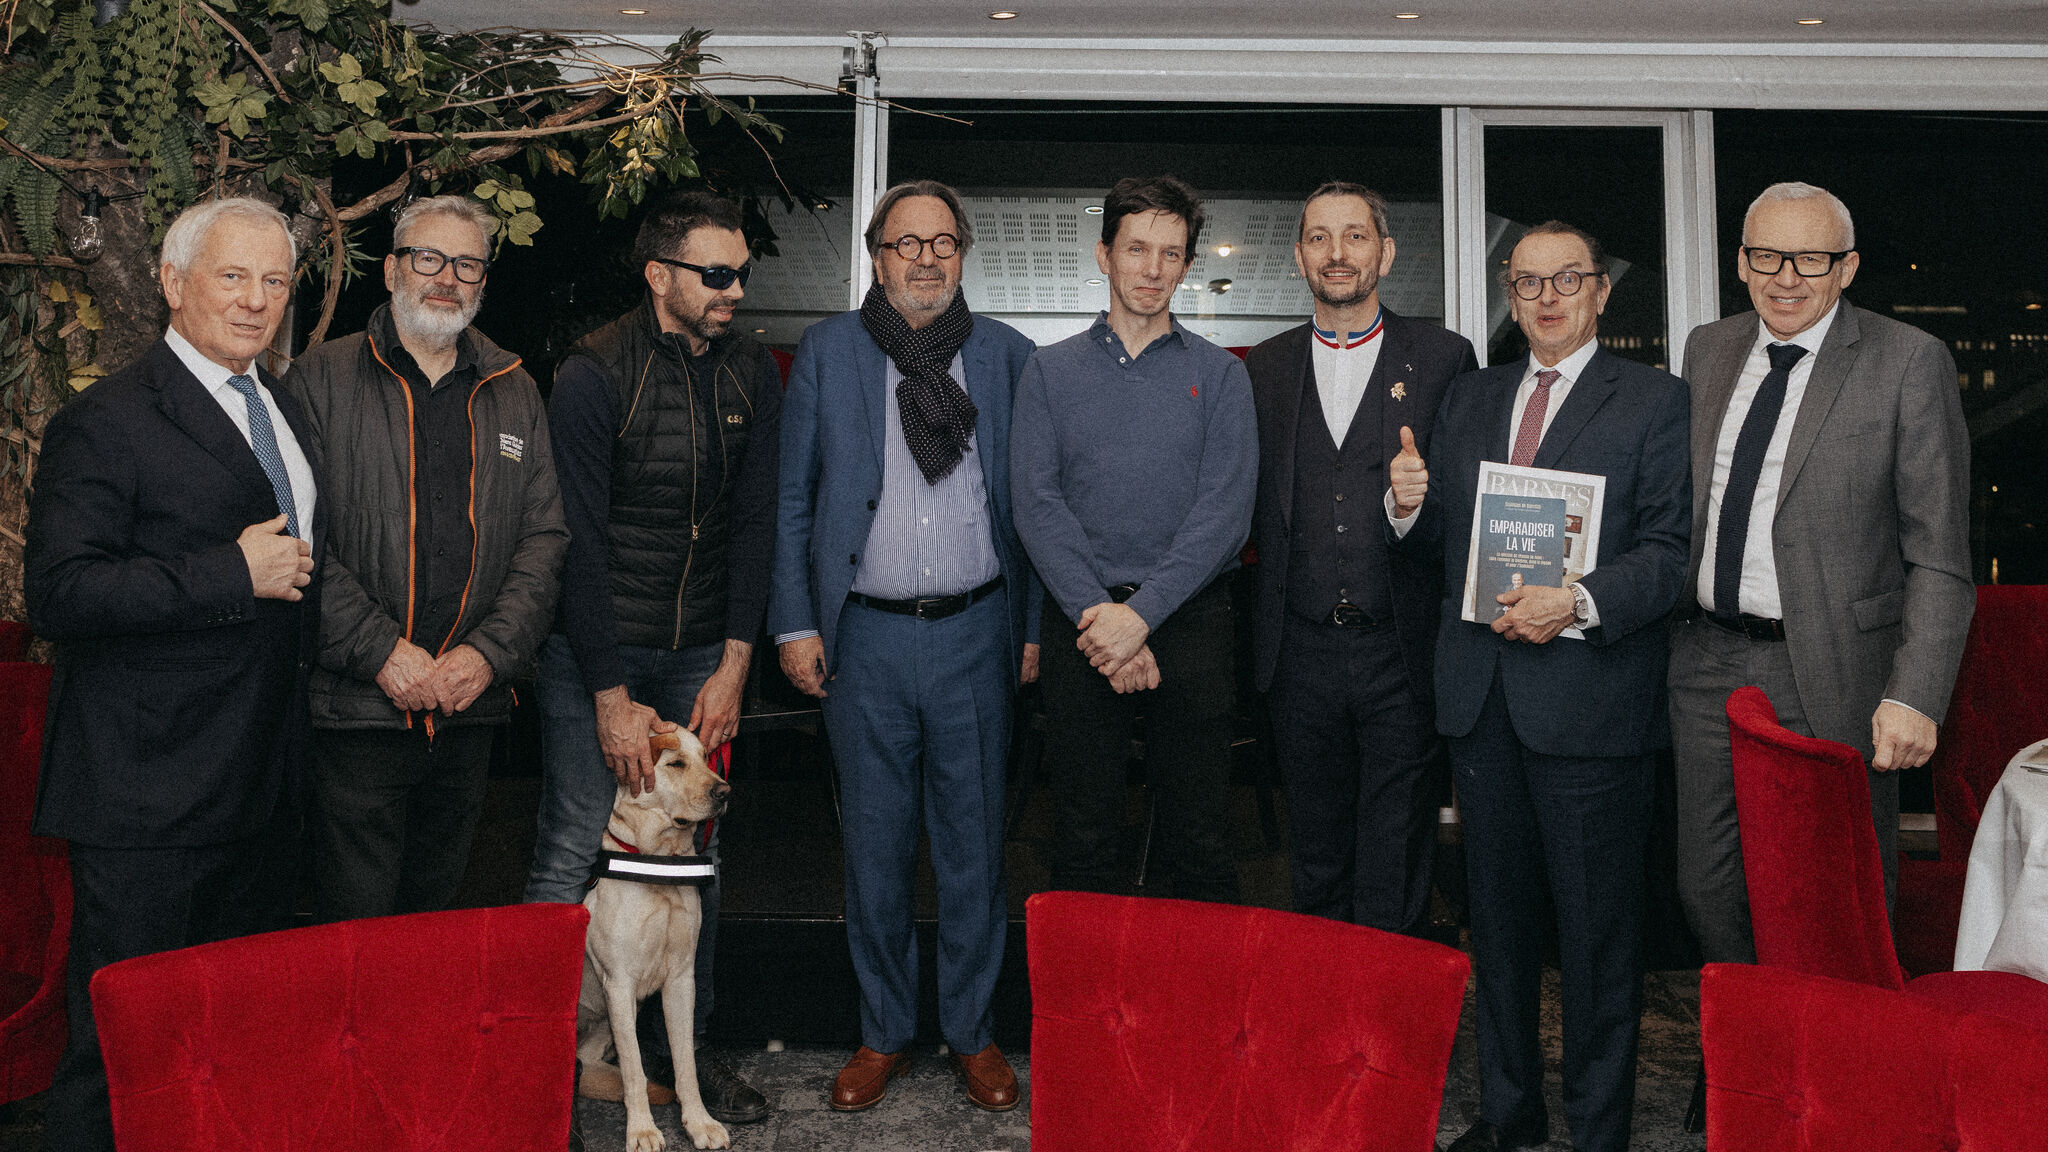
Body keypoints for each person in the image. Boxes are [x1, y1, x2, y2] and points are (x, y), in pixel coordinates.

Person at [1667, 182, 1972, 1127]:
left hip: (1835, 670)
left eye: (1808, 260)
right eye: (1765, 256)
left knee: (1836, 893)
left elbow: (1941, 555)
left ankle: (1846, 1086)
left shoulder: (1907, 360)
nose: (1784, 279)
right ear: (1742, 260)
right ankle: (1755, 1057)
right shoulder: (1709, 349)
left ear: (1846, 267)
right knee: (1706, 882)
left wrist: (1916, 692)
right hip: (1706, 662)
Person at [26, 196, 319, 1152]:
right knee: (122, 1056)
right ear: (172, 282)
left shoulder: (274, 403)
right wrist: (228, 572)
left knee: (223, 1048)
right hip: (148, 795)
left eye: (274, 282)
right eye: (233, 277)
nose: (256, 301)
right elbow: (62, 595)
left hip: (260, 784)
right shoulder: (106, 420)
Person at [1392, 222, 1690, 1152]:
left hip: (1592, 703)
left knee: (1600, 939)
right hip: (1483, 703)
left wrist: (1582, 601)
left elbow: (1673, 552)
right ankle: (1509, 1113)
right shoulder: (1472, 397)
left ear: (1602, 291)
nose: (1547, 297)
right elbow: (1452, 540)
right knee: (1501, 928)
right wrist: (1409, 502)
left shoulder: (1656, 400)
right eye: (1527, 282)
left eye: (1567, 280)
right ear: (1510, 297)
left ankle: (1599, 1131)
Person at [768, 179, 1038, 1114]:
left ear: (962, 255)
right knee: (875, 848)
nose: (924, 259)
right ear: (877, 257)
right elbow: (795, 498)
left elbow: (1032, 508)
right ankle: (882, 1030)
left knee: (973, 850)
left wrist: (1031, 630)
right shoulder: (829, 353)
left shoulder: (1007, 356)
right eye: (904, 243)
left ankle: (972, 1032)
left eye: (942, 243)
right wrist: (796, 623)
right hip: (865, 644)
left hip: (975, 634)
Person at [524, 190, 778, 1124]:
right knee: (567, 853)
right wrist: (607, 693)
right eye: (716, 274)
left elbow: (757, 525)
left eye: (742, 272)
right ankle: (534, 1072)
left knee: (694, 860)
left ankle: (687, 1067)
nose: (734, 290)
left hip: (705, 651)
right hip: (601, 653)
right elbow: (574, 539)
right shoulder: (593, 370)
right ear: (658, 275)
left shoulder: (752, 368)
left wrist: (736, 661)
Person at [284, 194, 566, 923]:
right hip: (358, 711)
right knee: (354, 920)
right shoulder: (321, 379)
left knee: (440, 919)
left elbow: (544, 540)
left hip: (470, 710)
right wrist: (384, 653)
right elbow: (296, 533)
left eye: (467, 263)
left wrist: (486, 657)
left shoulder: (515, 389)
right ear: (391, 269)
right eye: (429, 259)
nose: (447, 278)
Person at [1012, 174, 1257, 904]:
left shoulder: (1220, 378)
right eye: (1137, 249)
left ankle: (1196, 1021)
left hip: (1191, 624)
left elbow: (1226, 515)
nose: (1153, 269)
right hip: (1081, 623)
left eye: (1171, 254)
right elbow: (1036, 504)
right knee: (1082, 838)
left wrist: (1140, 616)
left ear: (1187, 266)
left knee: (1202, 839)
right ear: (1104, 255)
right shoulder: (1047, 371)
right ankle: (1087, 1021)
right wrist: (1103, 618)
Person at [1243, 180, 1477, 934]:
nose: (1337, 253)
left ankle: (1389, 1042)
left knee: (1397, 858)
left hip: (1399, 653)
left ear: (1387, 251)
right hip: (1298, 653)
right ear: (1298, 257)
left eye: (1354, 236)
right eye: (1319, 237)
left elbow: (1469, 513)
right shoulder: (1263, 369)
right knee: (1314, 860)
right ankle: (1320, 1032)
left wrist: (1416, 507)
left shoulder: (1444, 359)